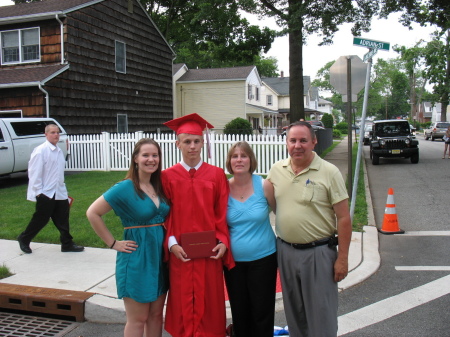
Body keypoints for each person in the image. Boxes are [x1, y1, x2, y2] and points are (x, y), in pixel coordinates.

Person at [266, 121, 352, 337]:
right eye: (292, 140)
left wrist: (342, 258)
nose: (298, 145)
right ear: (286, 143)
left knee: (321, 317)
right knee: (295, 315)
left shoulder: (329, 172)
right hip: (286, 252)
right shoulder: (277, 171)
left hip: (319, 254)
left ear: (314, 142)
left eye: (303, 140)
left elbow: (343, 218)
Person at [86, 138, 169, 337]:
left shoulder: (159, 186)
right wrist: (113, 243)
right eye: (146, 155)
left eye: (155, 155)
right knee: (138, 319)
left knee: (156, 316)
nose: (151, 159)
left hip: (159, 258)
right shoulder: (125, 187)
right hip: (137, 258)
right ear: (135, 159)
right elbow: (92, 213)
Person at [161, 113, 235, 337]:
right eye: (187, 141)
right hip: (180, 252)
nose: (192, 146)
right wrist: (172, 243)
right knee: (182, 298)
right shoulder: (166, 176)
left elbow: (221, 212)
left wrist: (222, 241)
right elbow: (165, 214)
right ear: (178, 144)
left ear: (203, 142)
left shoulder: (216, 175)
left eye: (196, 141)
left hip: (209, 252)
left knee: (210, 300)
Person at [224, 141, 277, 337]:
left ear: (251, 159)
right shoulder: (223, 188)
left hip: (264, 259)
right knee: (240, 312)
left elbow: (280, 213)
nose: (239, 160)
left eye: (243, 155)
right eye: (235, 156)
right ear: (229, 161)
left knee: (262, 313)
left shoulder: (264, 185)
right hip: (233, 263)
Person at [17, 124, 84, 254]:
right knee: (41, 219)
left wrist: (63, 189)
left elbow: (58, 173)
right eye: (53, 132)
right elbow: (34, 173)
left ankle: (67, 244)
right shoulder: (40, 151)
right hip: (46, 193)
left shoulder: (59, 151)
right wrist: (38, 192)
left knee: (63, 219)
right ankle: (24, 238)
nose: (56, 135)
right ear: (46, 134)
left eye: (57, 132)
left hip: (59, 192)